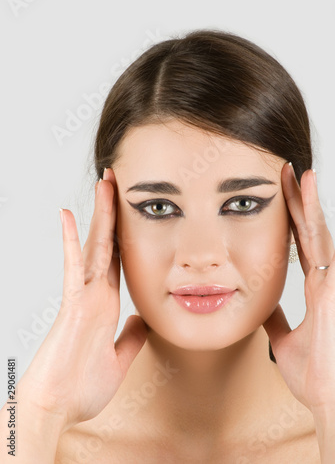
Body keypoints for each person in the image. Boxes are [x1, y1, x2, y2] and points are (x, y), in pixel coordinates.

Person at [1, 29, 334, 463]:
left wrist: (330, 405)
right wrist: (36, 409)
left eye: (242, 203)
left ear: (297, 221)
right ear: (112, 223)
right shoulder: (29, 439)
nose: (199, 255)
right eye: (159, 207)